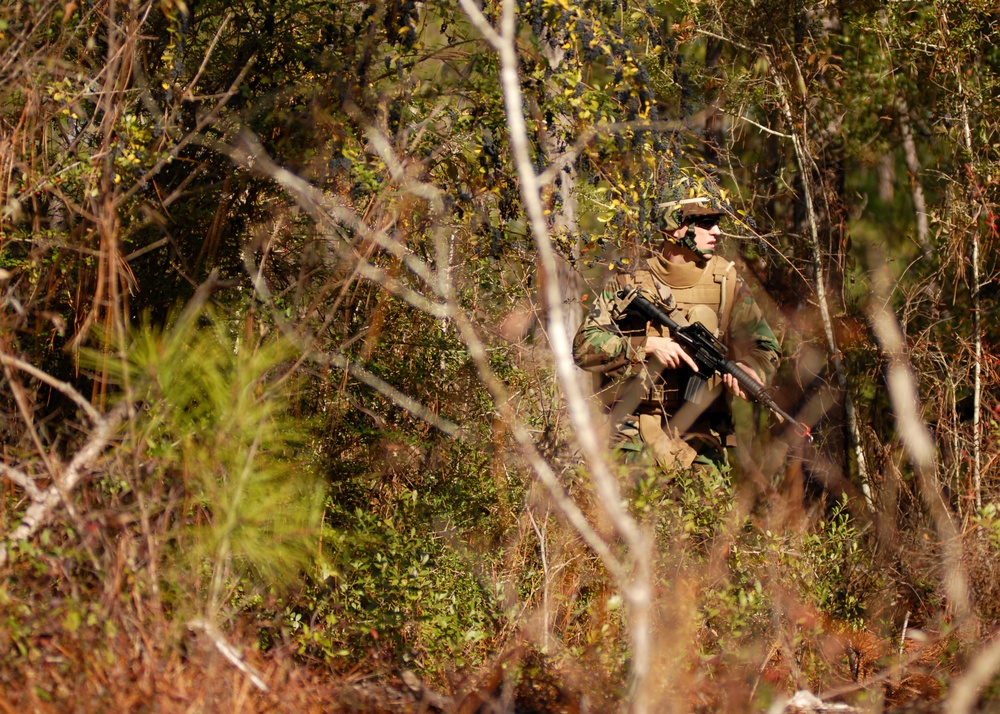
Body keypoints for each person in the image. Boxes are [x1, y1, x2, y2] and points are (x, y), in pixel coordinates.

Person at [573, 177, 781, 475]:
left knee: (710, 518)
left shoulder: (726, 282)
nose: (717, 231)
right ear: (676, 227)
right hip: (633, 431)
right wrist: (645, 347)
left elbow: (765, 346)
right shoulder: (629, 280)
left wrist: (752, 370)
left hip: (703, 435)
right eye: (706, 223)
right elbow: (583, 346)